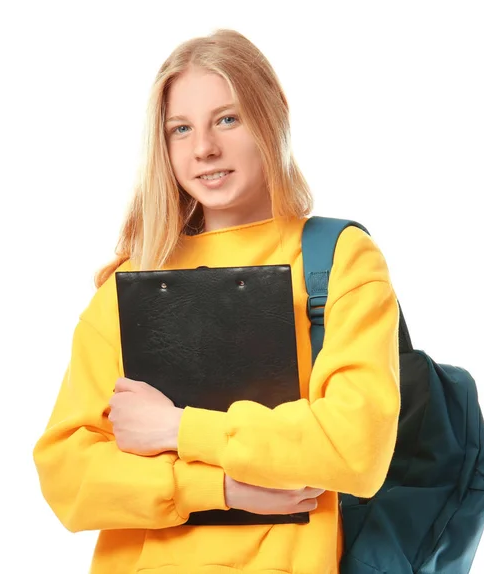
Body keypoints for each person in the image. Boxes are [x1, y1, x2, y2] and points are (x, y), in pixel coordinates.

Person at [33, 28, 401, 574]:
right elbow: (66, 474)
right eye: (180, 129)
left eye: (227, 119)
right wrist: (222, 487)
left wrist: (177, 428)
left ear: (272, 114)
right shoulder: (131, 281)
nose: (204, 148)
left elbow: (355, 449)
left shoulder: (335, 259)